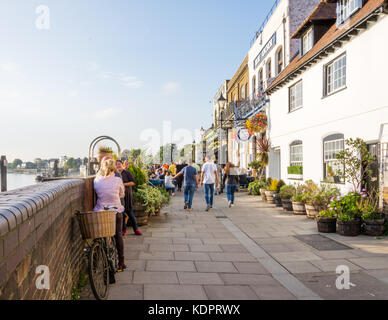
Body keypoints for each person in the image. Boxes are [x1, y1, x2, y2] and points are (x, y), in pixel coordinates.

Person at [94, 159, 127, 271]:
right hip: (115, 211)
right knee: (118, 235)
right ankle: (121, 262)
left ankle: (102, 257)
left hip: (101, 212)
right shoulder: (118, 180)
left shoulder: (96, 180)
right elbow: (122, 194)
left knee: (101, 234)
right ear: (114, 168)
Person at [116, 160, 142, 236]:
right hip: (119, 197)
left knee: (130, 214)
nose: (118, 166)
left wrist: (123, 184)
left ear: (122, 165)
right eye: (116, 165)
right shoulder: (115, 174)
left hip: (127, 196)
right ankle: (124, 230)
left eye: (119, 164)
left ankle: (136, 229)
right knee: (122, 214)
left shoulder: (127, 173)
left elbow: (133, 182)